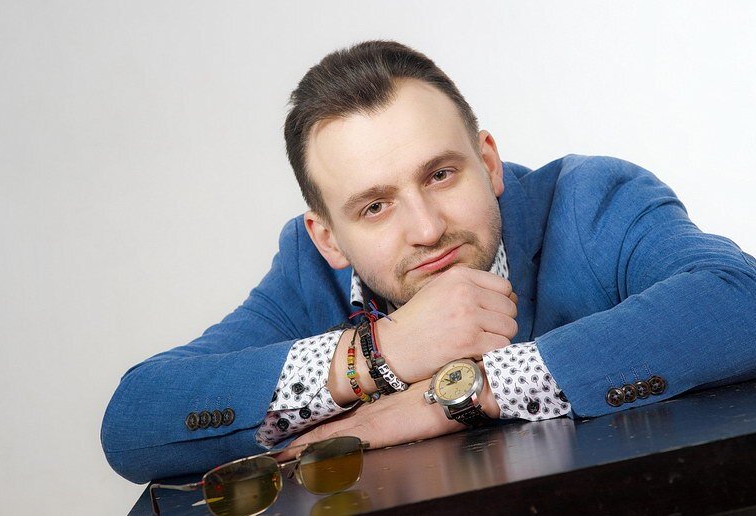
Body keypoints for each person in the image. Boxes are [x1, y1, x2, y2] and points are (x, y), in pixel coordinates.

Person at [101, 40, 756, 484]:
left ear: (487, 162)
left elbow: (739, 299)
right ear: (328, 237)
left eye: (440, 174)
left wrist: (463, 392)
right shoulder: (308, 271)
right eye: (374, 207)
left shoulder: (589, 200)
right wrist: (378, 354)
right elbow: (135, 422)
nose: (427, 228)